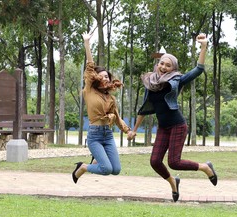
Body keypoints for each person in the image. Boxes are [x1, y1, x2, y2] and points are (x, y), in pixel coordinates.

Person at [127, 33, 217, 202]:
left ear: (173, 68)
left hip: (177, 125)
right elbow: (144, 108)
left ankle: (205, 167)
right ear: (157, 64)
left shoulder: (177, 80)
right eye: (162, 63)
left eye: (168, 65)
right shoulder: (150, 82)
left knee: (174, 162)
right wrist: (134, 130)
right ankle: (173, 183)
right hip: (163, 127)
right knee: (155, 161)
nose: (163, 67)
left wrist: (203, 47)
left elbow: (198, 69)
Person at [72, 31, 131, 183]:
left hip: (108, 134)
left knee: (116, 170)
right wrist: (87, 44)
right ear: (96, 79)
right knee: (106, 169)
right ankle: (84, 167)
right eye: (103, 76)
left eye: (108, 76)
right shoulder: (89, 90)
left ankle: (94, 162)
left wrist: (127, 131)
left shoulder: (110, 98)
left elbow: (117, 118)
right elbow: (90, 68)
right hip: (95, 135)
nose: (106, 78)